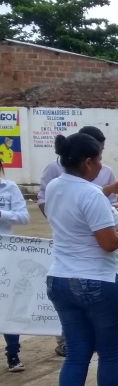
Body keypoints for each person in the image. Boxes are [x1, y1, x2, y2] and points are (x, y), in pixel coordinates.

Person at [45, 132, 118, 386]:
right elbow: (108, 242)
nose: (101, 164)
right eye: (98, 159)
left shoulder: (55, 187)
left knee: (76, 354)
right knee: (110, 354)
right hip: (98, 281)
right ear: (88, 162)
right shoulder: (92, 194)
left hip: (60, 279)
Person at [1, 157, 30, 371]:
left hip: (5, 251)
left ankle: (13, 353)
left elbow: (23, 217)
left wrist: (2, 213)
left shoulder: (9, 188)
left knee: (8, 302)